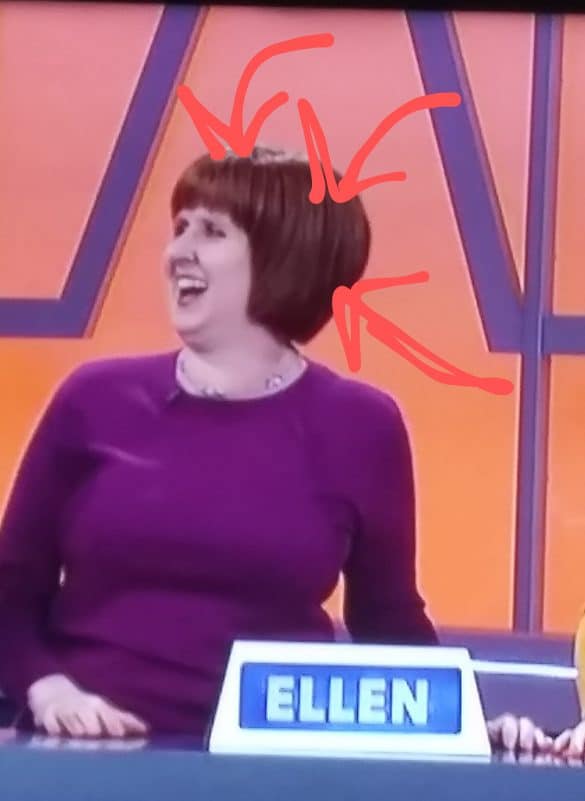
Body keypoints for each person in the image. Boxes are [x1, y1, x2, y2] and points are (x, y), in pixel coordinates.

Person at [0, 145, 573, 755]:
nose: (178, 252)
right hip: (86, 757)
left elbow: (387, 619)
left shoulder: (362, 425)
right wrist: (48, 690)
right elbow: (12, 588)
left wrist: (464, 726)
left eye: (211, 231)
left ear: (284, 256)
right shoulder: (95, 400)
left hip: (273, 764)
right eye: (180, 227)